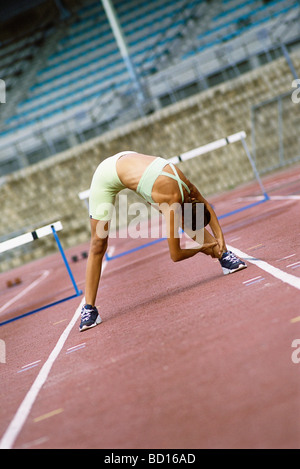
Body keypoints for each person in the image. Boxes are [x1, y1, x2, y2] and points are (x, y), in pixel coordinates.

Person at [79, 151, 247, 332]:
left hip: (142, 170)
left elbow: (207, 207)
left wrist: (221, 242)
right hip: (107, 174)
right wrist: (203, 247)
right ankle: (89, 309)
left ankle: (225, 257)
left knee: (187, 222)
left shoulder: (189, 189)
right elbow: (176, 255)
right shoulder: (172, 202)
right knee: (98, 243)